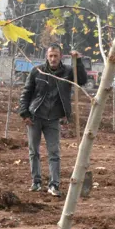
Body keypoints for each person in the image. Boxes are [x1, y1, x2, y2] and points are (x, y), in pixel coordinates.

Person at [19, 44, 75, 196]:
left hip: (53, 119)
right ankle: (36, 182)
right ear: (46, 56)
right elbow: (26, 93)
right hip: (35, 117)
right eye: (50, 56)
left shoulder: (66, 73)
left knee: (54, 153)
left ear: (61, 56)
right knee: (33, 151)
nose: (53, 58)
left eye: (56, 55)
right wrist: (24, 113)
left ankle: (54, 185)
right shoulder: (37, 72)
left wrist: (78, 61)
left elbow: (78, 82)